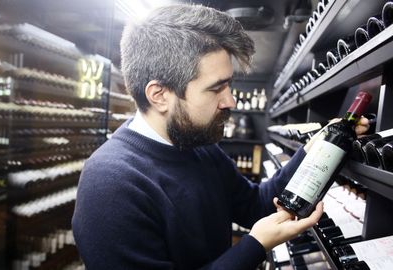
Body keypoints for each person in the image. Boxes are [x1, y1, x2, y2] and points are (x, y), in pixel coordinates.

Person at [72, 4, 370, 269]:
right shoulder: (110, 186)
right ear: (159, 95)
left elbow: (259, 204)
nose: (231, 102)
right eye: (216, 88)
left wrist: (317, 149)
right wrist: (255, 245)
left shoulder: (196, 145)